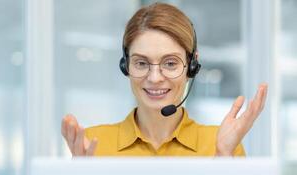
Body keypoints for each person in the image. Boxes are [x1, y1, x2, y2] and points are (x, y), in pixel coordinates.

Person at [61, 2, 268, 156]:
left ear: (192, 66)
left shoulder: (221, 143)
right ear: (125, 65)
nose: (155, 77)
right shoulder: (93, 144)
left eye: (170, 63)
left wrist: (222, 158)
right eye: (141, 63)